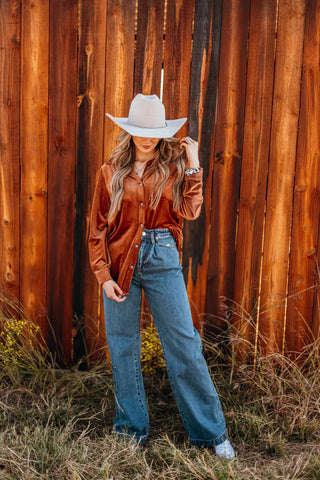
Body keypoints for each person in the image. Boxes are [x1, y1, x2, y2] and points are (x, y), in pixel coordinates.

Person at [88, 94, 235, 459]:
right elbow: (96, 231)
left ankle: (211, 434)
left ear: (163, 133)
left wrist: (193, 164)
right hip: (120, 262)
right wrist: (104, 275)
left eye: (154, 132)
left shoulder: (171, 167)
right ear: (129, 131)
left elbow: (189, 210)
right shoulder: (109, 171)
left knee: (183, 345)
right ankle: (130, 431)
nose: (147, 138)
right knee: (123, 347)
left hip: (163, 257)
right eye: (141, 131)